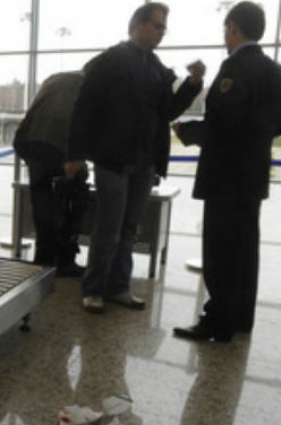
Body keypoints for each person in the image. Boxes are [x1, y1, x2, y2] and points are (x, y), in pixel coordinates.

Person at [64, 2, 205, 313]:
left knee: (129, 229)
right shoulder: (109, 61)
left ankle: (118, 287)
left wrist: (192, 85)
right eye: (157, 25)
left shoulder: (156, 68)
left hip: (144, 160)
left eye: (164, 27)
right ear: (138, 24)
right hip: (113, 159)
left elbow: (167, 111)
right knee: (109, 228)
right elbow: (84, 109)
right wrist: (75, 154)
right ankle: (94, 288)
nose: (162, 32)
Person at [172, 1, 281, 342]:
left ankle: (217, 322)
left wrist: (187, 132)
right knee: (245, 249)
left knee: (220, 250)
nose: (225, 36)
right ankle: (240, 318)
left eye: (226, 29)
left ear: (233, 28)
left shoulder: (235, 67)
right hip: (253, 174)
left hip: (226, 177)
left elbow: (223, 125)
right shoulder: (273, 70)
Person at [13, 71, 89, 277]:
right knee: (75, 194)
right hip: (57, 144)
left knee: (41, 200)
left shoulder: (55, 78)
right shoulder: (92, 85)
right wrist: (78, 157)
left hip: (29, 141)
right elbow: (86, 121)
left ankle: (43, 258)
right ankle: (65, 258)